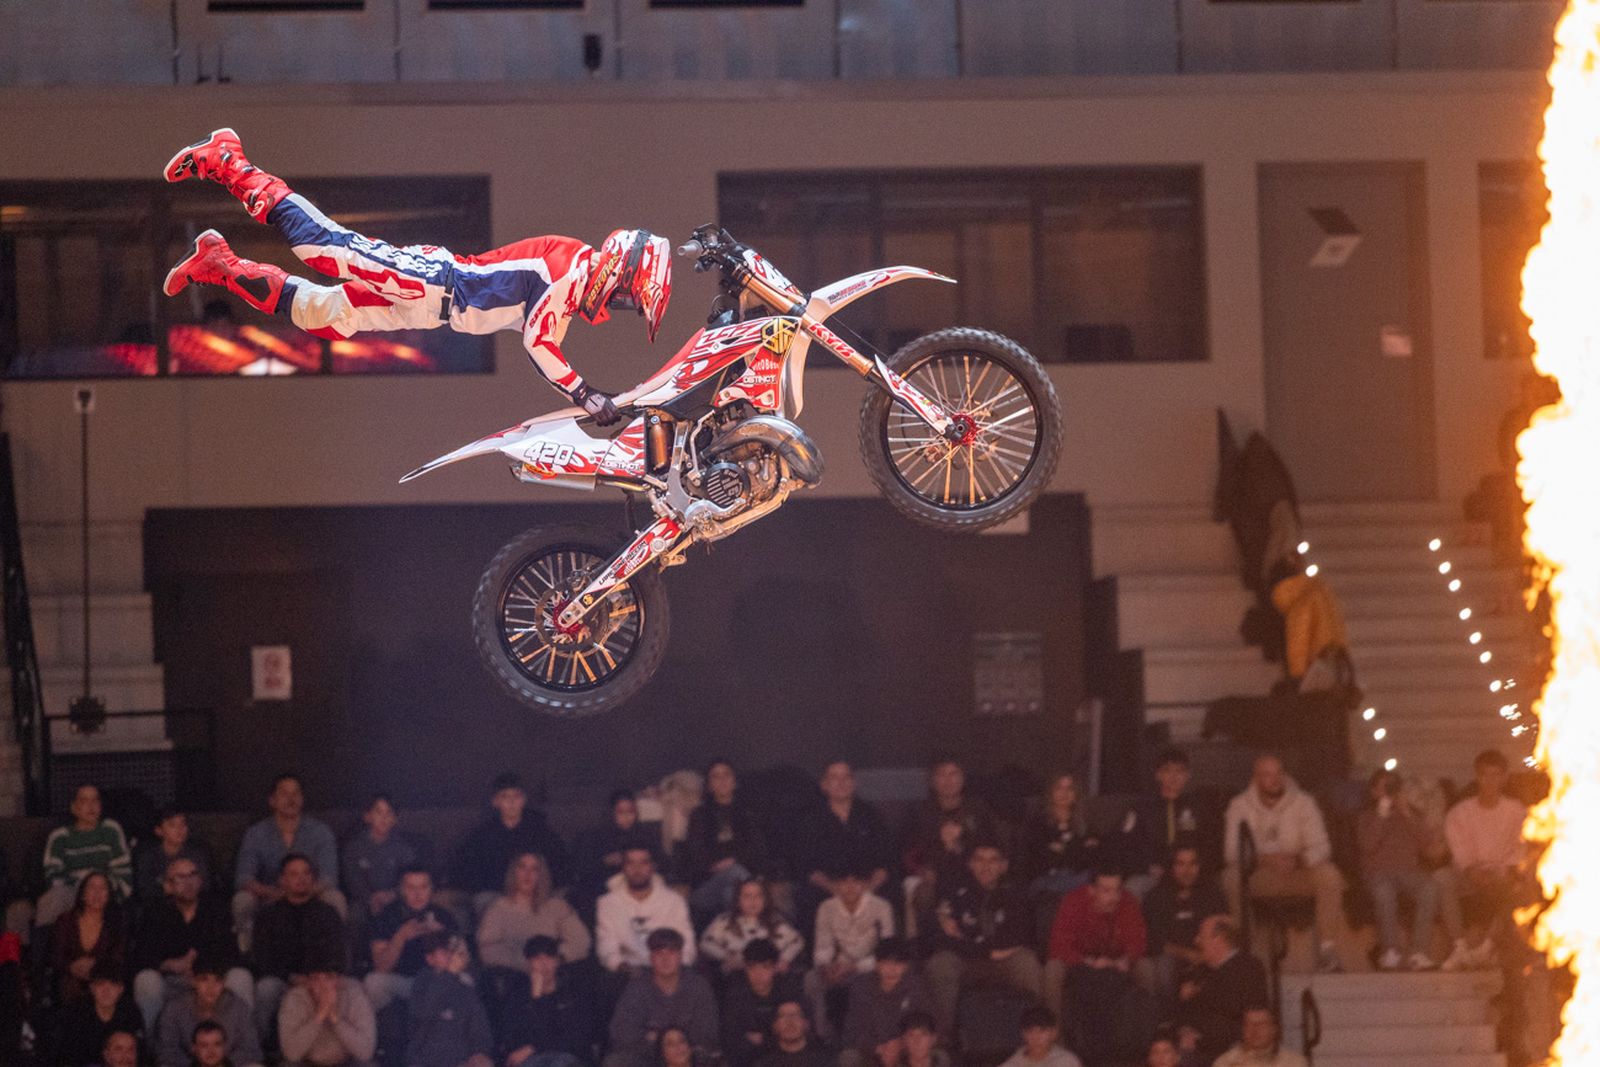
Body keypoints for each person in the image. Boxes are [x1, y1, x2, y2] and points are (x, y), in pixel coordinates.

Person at [163, 128, 668, 425]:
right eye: (628, 294)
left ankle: (222, 266)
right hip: (433, 280)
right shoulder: (569, 270)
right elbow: (539, 344)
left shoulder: (571, 284)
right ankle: (228, 160)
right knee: (323, 247)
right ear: (619, 266)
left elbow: (544, 335)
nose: (619, 304)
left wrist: (595, 397)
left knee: (324, 317)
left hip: (429, 307)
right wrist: (586, 394)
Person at [1222, 755, 1346, 973]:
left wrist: (1298, 860)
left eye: (1279, 773)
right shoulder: (1239, 805)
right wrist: (1265, 860)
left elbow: (1323, 847)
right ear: (1256, 778)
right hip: (1260, 875)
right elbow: (1231, 853)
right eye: (1267, 775)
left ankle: (1328, 951)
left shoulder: (1304, 802)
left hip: (1296, 873)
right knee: (1231, 877)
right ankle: (1243, 952)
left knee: (1330, 875)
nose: (1275, 779)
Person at [925, 839, 1041, 1036]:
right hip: (966, 961)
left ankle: (1037, 1035)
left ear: (1003, 866)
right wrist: (985, 950)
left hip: (1002, 963)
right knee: (940, 963)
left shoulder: (1016, 893)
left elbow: (1020, 936)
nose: (986, 866)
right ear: (970, 863)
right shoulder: (955, 892)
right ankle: (944, 1039)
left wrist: (966, 941)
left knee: (1027, 962)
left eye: (993, 860)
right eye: (979, 860)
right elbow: (938, 938)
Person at [133, 855, 252, 1031]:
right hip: (172, 980)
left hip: (210, 979)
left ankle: (241, 1043)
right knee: (146, 981)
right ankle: (151, 1049)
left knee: (241, 977)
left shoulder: (216, 908)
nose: (189, 882)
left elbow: (230, 952)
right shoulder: (155, 912)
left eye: (193, 875)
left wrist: (200, 971)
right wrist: (169, 964)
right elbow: (141, 956)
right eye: (181, 877)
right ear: (168, 886)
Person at [232, 774, 344, 952]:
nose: (291, 799)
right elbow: (244, 878)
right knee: (242, 900)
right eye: (284, 794)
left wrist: (300, 892)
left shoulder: (320, 831)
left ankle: (331, 963)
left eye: (296, 794)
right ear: (272, 800)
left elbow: (329, 878)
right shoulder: (256, 833)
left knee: (335, 898)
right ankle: (249, 957)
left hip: (310, 895)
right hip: (270, 896)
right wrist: (276, 893)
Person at [1045, 870, 1147, 1062]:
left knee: (1145, 967)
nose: (1113, 897)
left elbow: (1137, 940)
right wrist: (1088, 961)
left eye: (1117, 890)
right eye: (1106, 891)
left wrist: (1126, 959)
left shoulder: (1127, 901)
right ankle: (1057, 1042)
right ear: (1091, 890)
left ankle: (1149, 1041)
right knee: (1053, 969)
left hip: (1117, 960)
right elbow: (1059, 944)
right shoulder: (1073, 901)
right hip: (1080, 960)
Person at [1443, 749, 1531, 966]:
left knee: (1512, 884)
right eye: (1485, 775)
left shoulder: (1516, 811)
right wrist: (1471, 869)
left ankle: (1485, 944)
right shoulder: (1460, 812)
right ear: (1477, 776)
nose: (1490, 781)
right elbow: (1459, 848)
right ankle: (1461, 946)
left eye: (1496, 775)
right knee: (1440, 879)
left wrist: (1502, 869)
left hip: (1502, 873)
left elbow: (1520, 846)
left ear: (1504, 778)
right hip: (1467, 872)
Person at [1356, 769, 1447, 971]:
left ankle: (1419, 953)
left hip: (1408, 872)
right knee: (1383, 891)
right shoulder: (1366, 816)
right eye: (1383, 788)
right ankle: (1390, 951)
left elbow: (1427, 844)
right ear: (1373, 791)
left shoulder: (1409, 813)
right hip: (1378, 874)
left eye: (1392, 787)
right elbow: (1367, 844)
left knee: (1430, 887)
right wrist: (1382, 812)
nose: (1388, 792)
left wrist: (1407, 813)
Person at [251, 854, 347, 1042]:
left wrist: (322, 977)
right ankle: (264, 1045)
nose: (301, 879)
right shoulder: (268, 915)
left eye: (306, 873)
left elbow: (339, 951)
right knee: (265, 988)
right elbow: (262, 957)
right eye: (294, 874)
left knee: (354, 987)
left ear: (312, 878)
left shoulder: (327, 912)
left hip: (322, 979)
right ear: (282, 880)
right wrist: (294, 978)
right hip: (284, 979)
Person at [452, 772, 572, 915]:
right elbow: (467, 871)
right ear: (495, 802)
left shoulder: (541, 831)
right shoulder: (482, 835)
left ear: (524, 800)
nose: (511, 802)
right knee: (484, 900)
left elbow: (561, 865)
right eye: (505, 797)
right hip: (499, 895)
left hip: (538, 894)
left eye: (516, 796)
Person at [902, 759, 997, 926]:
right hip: (935, 873)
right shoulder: (920, 812)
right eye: (941, 775)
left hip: (973, 871)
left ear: (962, 778)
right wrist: (922, 869)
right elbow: (906, 850)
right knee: (924, 894)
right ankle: (927, 948)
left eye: (953, 774)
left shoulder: (978, 809)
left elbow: (991, 844)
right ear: (932, 780)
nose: (948, 781)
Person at [794, 763, 894, 923]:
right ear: (824, 785)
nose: (841, 782)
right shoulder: (810, 820)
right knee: (807, 897)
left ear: (854, 783)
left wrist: (868, 888)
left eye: (846, 777)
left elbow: (886, 860)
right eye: (834, 778)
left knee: (890, 894)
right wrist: (835, 888)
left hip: (866, 885)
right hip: (828, 888)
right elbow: (807, 867)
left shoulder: (871, 815)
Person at [606, 928, 719, 1067]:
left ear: (680, 955)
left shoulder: (697, 986)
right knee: (615, 1062)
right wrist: (657, 1043)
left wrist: (670, 1040)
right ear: (651, 957)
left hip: (687, 1053)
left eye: (671, 952)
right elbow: (621, 1030)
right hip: (648, 1053)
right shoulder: (638, 987)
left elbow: (707, 1031)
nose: (665, 959)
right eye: (659, 953)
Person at [804, 863, 893, 1037]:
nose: (850, 886)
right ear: (836, 884)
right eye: (844, 881)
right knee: (811, 979)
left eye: (856, 881)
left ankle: (868, 1035)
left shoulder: (881, 907)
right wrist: (825, 967)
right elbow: (823, 946)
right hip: (838, 967)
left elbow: (888, 954)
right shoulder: (826, 907)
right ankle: (821, 1034)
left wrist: (855, 967)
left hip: (870, 967)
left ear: (865, 883)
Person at [683, 760, 773, 924]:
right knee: (736, 875)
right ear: (709, 785)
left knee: (731, 892)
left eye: (726, 775)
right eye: (716, 777)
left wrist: (734, 861)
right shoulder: (699, 815)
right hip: (707, 885)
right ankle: (769, 922)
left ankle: (737, 939)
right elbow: (695, 853)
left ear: (734, 781)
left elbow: (759, 848)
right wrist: (715, 866)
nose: (722, 780)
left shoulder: (749, 813)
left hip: (740, 881)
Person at [1175, 915, 1268, 1066]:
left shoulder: (1248, 968)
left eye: (1202, 936)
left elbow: (1248, 1018)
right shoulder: (1200, 971)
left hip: (1231, 1051)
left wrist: (1200, 1037)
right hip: (1197, 1049)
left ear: (1219, 939)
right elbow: (1183, 1009)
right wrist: (1185, 1030)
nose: (1196, 940)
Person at [364, 864, 457, 1013]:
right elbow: (381, 967)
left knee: (462, 981)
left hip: (435, 981)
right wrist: (401, 937)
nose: (417, 894)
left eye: (423, 887)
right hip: (402, 982)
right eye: (410, 887)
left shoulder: (444, 916)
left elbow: (460, 962)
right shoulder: (387, 916)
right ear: (401, 889)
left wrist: (442, 937)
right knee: (373, 981)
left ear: (431, 888)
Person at [1139, 842, 1226, 1002]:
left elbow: (1225, 931)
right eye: (1180, 864)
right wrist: (1187, 954)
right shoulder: (1156, 897)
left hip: (1206, 957)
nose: (1187, 871)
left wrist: (1205, 955)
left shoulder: (1213, 894)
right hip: (1171, 959)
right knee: (1164, 967)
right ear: (1171, 866)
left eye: (1193, 864)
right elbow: (1151, 940)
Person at [498, 935, 603, 1067]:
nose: (544, 964)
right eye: (537, 959)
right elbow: (514, 1037)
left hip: (568, 1057)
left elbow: (576, 1036)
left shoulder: (573, 990)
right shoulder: (517, 995)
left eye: (549, 957)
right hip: (531, 1060)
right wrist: (536, 996)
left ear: (557, 961)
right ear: (528, 963)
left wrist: (534, 1047)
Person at [477, 852, 591, 974]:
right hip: (514, 976)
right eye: (522, 867)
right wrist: (526, 964)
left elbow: (581, 941)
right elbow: (488, 949)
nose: (528, 874)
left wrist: (555, 959)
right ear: (513, 873)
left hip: (553, 974)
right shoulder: (497, 909)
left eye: (534, 869)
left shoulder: (557, 906)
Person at [37, 783, 133, 927]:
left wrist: (99, 889)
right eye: (84, 801)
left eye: (95, 801)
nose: (91, 806)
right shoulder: (60, 836)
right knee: (53, 898)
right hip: (73, 892)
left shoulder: (111, 829)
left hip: (105, 891)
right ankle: (45, 947)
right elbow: (52, 876)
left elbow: (123, 872)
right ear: (74, 808)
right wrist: (84, 890)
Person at [596, 848, 696, 973]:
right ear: (623, 867)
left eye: (643, 863)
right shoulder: (607, 903)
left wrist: (674, 969)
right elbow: (607, 948)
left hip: (670, 971)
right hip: (628, 972)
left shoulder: (674, 901)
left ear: (653, 866)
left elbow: (687, 945)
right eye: (630, 863)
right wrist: (623, 967)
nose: (637, 869)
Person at [1128, 749, 1221, 884]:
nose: (1174, 776)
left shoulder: (1200, 807)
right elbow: (1126, 843)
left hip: (1192, 872)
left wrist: (1197, 866)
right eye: (1167, 771)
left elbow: (1213, 842)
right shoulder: (1142, 808)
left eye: (1180, 771)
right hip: (1154, 872)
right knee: (1134, 886)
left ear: (1188, 775)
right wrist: (1147, 866)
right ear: (1158, 775)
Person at [155, 954, 264, 1067]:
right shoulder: (175, 1009)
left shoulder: (238, 1008)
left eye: (217, 980)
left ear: (224, 982)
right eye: (204, 979)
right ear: (193, 980)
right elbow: (166, 1051)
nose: (210, 987)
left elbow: (251, 1050)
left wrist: (224, 1063)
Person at [838, 938, 933, 1067]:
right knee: (848, 1057)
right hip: (873, 1049)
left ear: (906, 966)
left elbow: (926, 1023)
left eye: (898, 964)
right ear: (877, 964)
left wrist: (900, 1044)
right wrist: (878, 1048)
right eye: (886, 963)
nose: (892, 969)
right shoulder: (861, 986)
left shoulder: (916, 986)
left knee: (937, 1056)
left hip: (906, 1049)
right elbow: (852, 1030)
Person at [406, 931, 495, 1067]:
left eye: (451, 952)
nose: (450, 956)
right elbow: (422, 1012)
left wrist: (480, 1053)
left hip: (461, 1061)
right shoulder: (422, 982)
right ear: (430, 959)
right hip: (426, 1061)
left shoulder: (465, 988)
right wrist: (448, 975)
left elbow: (480, 1030)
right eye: (443, 953)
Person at [573, 790, 662, 922]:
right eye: (621, 812)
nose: (626, 817)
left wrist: (645, 863)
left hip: (639, 882)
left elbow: (662, 861)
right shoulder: (597, 836)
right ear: (612, 813)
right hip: (604, 885)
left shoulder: (645, 834)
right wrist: (606, 861)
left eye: (630, 812)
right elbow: (584, 868)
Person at [277, 954, 377, 1067]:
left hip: (346, 1063)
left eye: (329, 978)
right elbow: (291, 1054)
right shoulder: (295, 999)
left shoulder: (355, 997)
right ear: (308, 983)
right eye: (316, 978)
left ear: (339, 981)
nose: (322, 985)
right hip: (307, 1063)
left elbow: (365, 1052)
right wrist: (319, 1016)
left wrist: (336, 1020)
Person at [1020, 774, 1101, 905]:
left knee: (1090, 881)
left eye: (1069, 789)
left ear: (1076, 794)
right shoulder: (1038, 822)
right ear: (1051, 792)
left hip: (1078, 879)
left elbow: (1094, 854)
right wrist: (1079, 848)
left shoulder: (1085, 823)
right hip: (1046, 880)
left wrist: (1062, 850)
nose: (1064, 793)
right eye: (1059, 788)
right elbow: (1037, 859)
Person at [720, 939, 803, 1067]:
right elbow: (730, 1037)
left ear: (775, 967)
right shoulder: (735, 994)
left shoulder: (789, 991)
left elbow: (801, 1030)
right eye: (752, 967)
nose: (758, 974)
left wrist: (762, 1039)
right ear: (745, 968)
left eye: (765, 967)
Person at [50, 869, 128, 1004]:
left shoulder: (116, 922)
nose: (97, 893)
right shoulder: (65, 920)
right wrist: (71, 967)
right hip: (70, 979)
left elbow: (119, 956)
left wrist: (96, 966)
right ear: (82, 894)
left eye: (103, 888)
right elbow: (55, 955)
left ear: (109, 895)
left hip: (104, 978)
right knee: (69, 985)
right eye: (92, 887)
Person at [339, 794, 417, 929]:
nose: (384, 818)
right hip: (363, 901)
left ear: (395, 819)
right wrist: (371, 899)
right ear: (367, 816)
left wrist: (392, 895)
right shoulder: (354, 847)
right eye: (378, 812)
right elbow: (352, 881)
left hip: (396, 899)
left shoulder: (403, 847)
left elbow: (410, 878)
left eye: (389, 813)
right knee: (354, 914)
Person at [700, 877, 803, 975]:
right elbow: (705, 943)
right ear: (738, 900)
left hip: (769, 974)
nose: (753, 901)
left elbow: (797, 941)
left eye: (758, 896)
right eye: (747, 896)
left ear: (765, 900)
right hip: (737, 973)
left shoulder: (775, 921)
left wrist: (784, 959)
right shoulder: (725, 920)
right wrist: (726, 956)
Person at [56, 962, 144, 1067]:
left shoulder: (130, 1012)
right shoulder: (75, 1013)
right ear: (92, 988)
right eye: (100, 984)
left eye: (113, 984)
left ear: (121, 989)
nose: (106, 991)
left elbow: (139, 1053)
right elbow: (66, 1057)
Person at [133, 808, 214, 903]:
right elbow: (143, 889)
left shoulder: (197, 852)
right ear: (159, 831)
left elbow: (206, 884)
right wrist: (165, 889)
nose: (180, 829)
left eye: (183, 824)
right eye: (172, 825)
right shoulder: (148, 856)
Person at [1212, 1006, 1309, 1067]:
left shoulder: (1295, 1063)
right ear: (1242, 1029)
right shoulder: (1225, 1063)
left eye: (1262, 1024)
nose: (1254, 1030)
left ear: (1274, 1029)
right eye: (1249, 1024)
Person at [752, 998, 830, 1067]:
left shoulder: (825, 1061)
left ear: (806, 1023)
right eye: (783, 1016)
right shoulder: (764, 1064)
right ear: (775, 1026)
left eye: (796, 1015)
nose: (789, 1021)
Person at [997, 1005, 1083, 1067]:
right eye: (1030, 1031)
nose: (1035, 1037)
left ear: (1054, 1033)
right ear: (1023, 1034)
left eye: (1042, 1031)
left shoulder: (1066, 1061)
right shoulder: (1014, 1063)